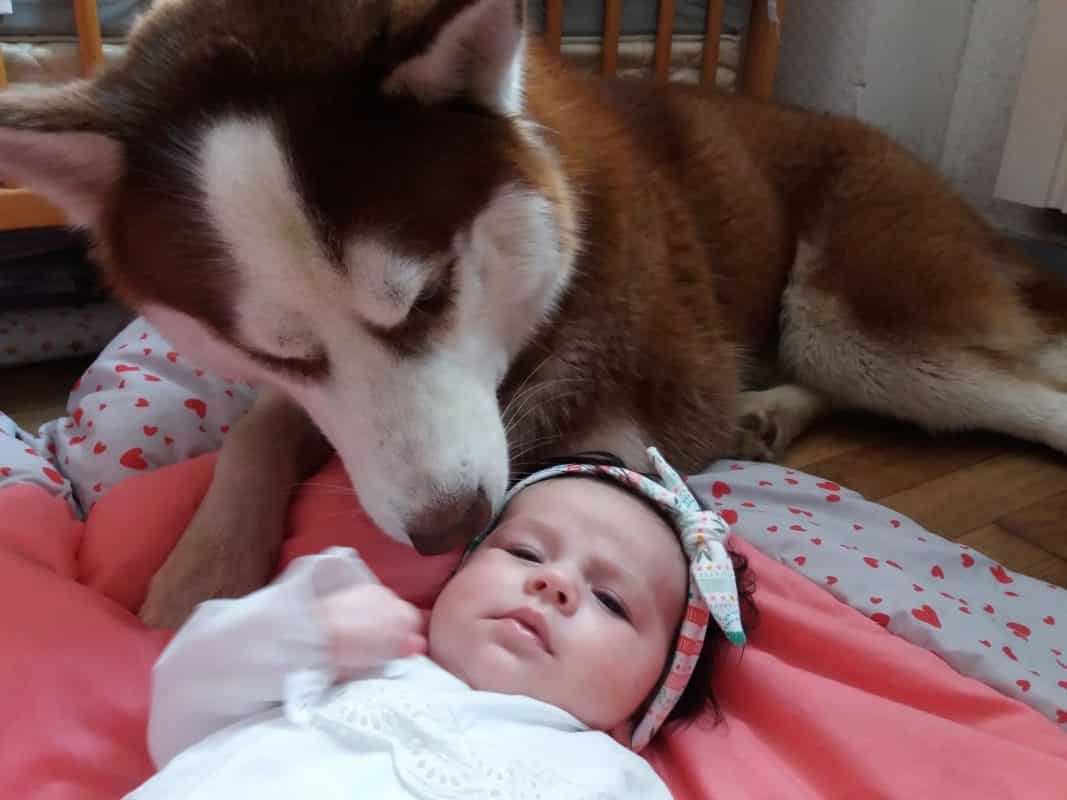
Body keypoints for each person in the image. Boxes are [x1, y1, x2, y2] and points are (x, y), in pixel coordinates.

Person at [125, 447, 757, 799]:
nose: (555, 582)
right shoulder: (361, 646)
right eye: (524, 553)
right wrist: (308, 632)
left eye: (612, 601)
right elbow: (182, 704)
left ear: (647, 704)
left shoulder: (612, 778)